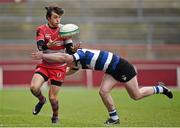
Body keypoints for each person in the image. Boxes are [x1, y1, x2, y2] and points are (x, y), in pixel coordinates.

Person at [32, 48, 173, 125]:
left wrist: (43, 55)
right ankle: (114, 118)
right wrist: (52, 76)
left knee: (136, 95)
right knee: (103, 92)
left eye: (65, 62)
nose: (64, 65)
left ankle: (161, 89)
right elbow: (65, 72)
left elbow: (63, 59)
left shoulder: (77, 55)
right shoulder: (76, 65)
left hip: (123, 67)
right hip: (112, 70)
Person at [30, 5, 77, 123]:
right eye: (55, 17)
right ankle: (41, 100)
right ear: (48, 18)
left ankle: (55, 116)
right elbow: (40, 47)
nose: (58, 20)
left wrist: (74, 50)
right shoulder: (41, 29)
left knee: (53, 98)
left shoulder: (64, 30)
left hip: (59, 68)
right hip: (45, 65)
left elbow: (69, 50)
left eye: (59, 17)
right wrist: (47, 46)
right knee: (33, 88)